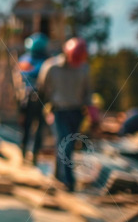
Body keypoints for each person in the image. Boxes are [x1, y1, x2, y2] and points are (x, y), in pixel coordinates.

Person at [37, 37, 92, 192]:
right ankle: (68, 181)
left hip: (76, 112)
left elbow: (88, 93)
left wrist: (92, 114)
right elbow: (42, 89)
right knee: (64, 144)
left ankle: (57, 175)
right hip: (58, 111)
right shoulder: (51, 67)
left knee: (67, 145)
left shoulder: (84, 68)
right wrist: (46, 109)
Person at [17, 32, 50, 163]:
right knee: (37, 127)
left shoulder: (24, 60)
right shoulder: (45, 62)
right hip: (39, 98)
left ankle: (26, 152)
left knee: (27, 127)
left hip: (27, 98)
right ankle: (32, 154)